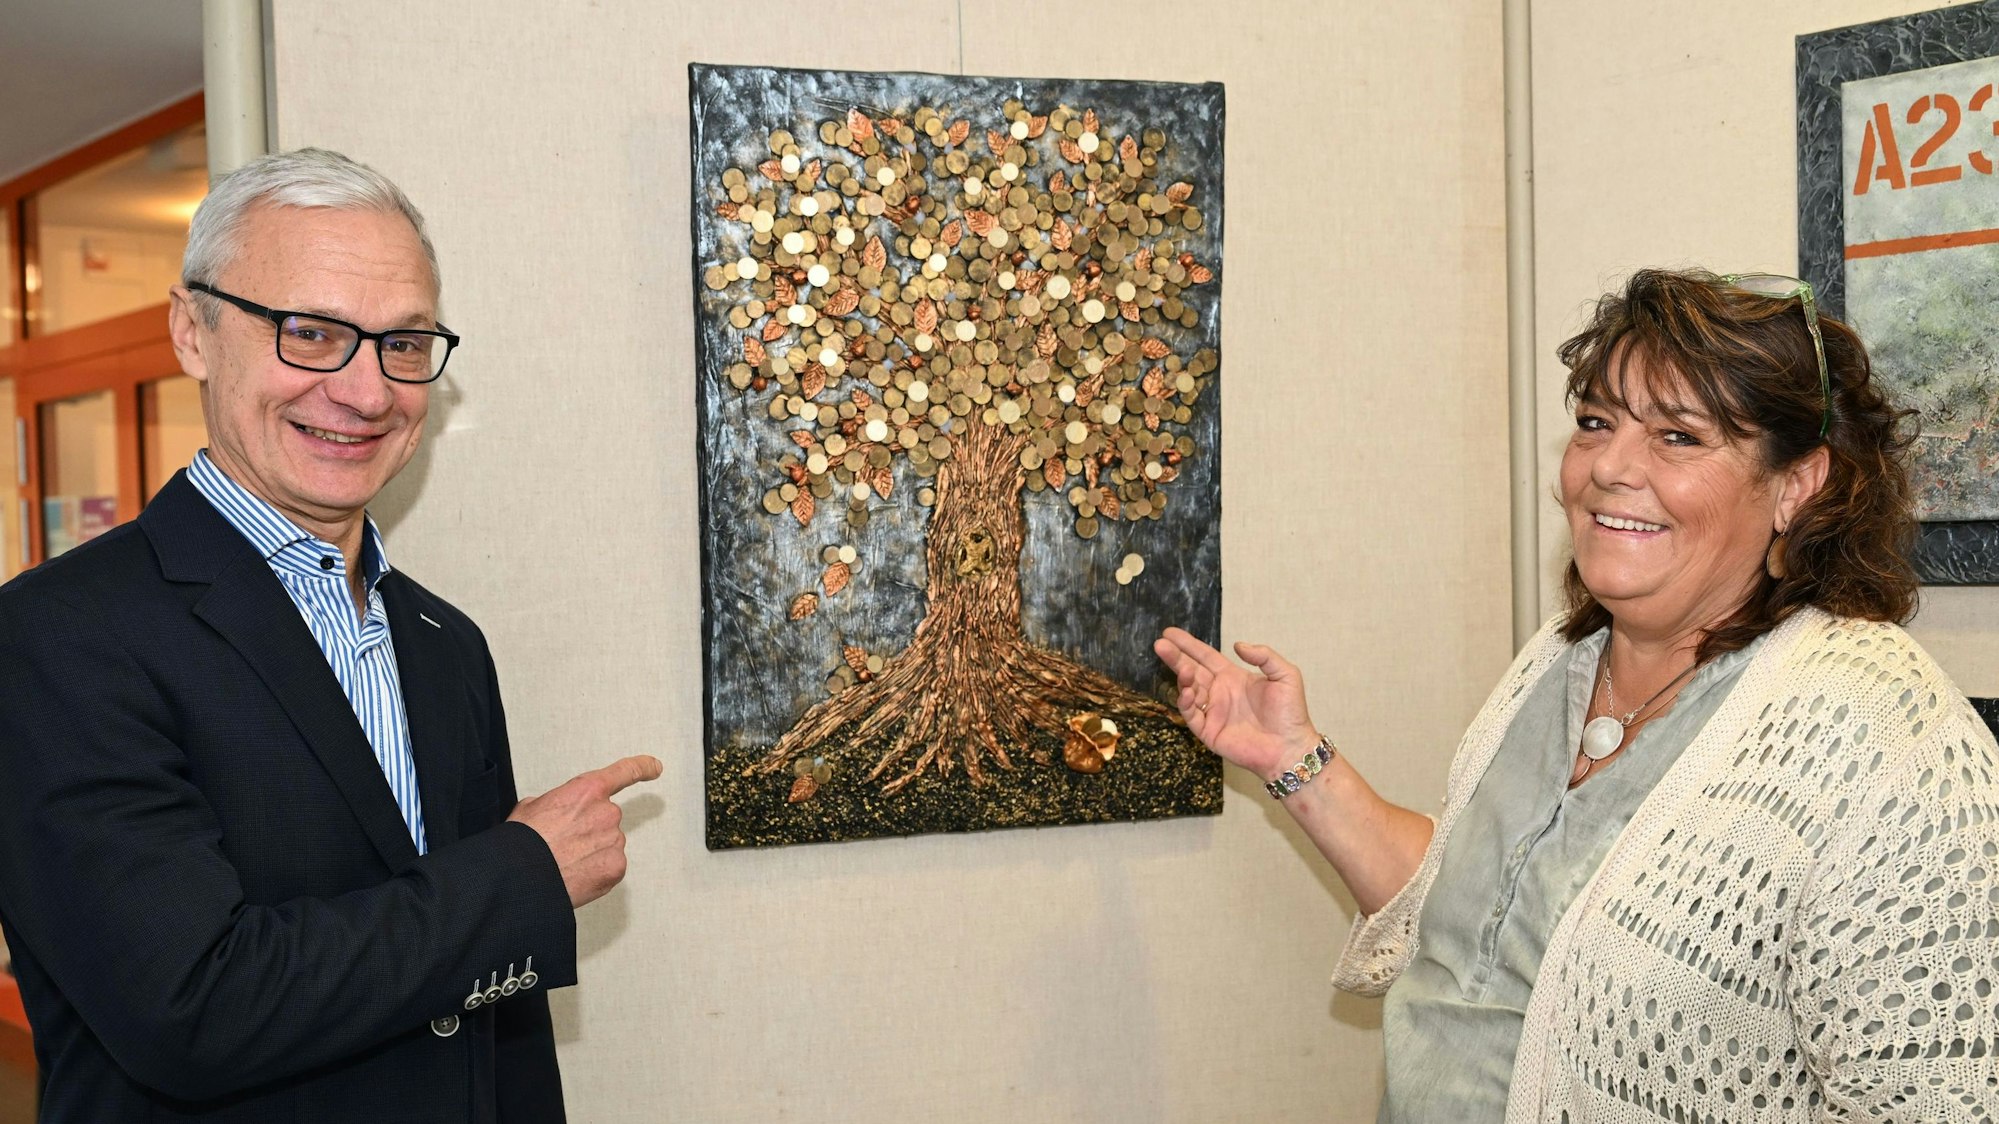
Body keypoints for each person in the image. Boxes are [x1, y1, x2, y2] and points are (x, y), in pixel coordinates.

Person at [1158, 268, 1999, 1122]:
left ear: (1795, 486)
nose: (1608, 468)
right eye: (1595, 423)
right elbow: (1492, 924)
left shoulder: (1889, 742)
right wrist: (1295, 760)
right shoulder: (1559, 658)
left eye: (1676, 437)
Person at [0, 148, 659, 1122]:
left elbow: (495, 1014)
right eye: (310, 333)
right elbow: (190, 1008)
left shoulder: (444, 641)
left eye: (403, 344)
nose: (364, 391)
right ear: (193, 332)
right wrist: (520, 874)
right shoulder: (57, 635)